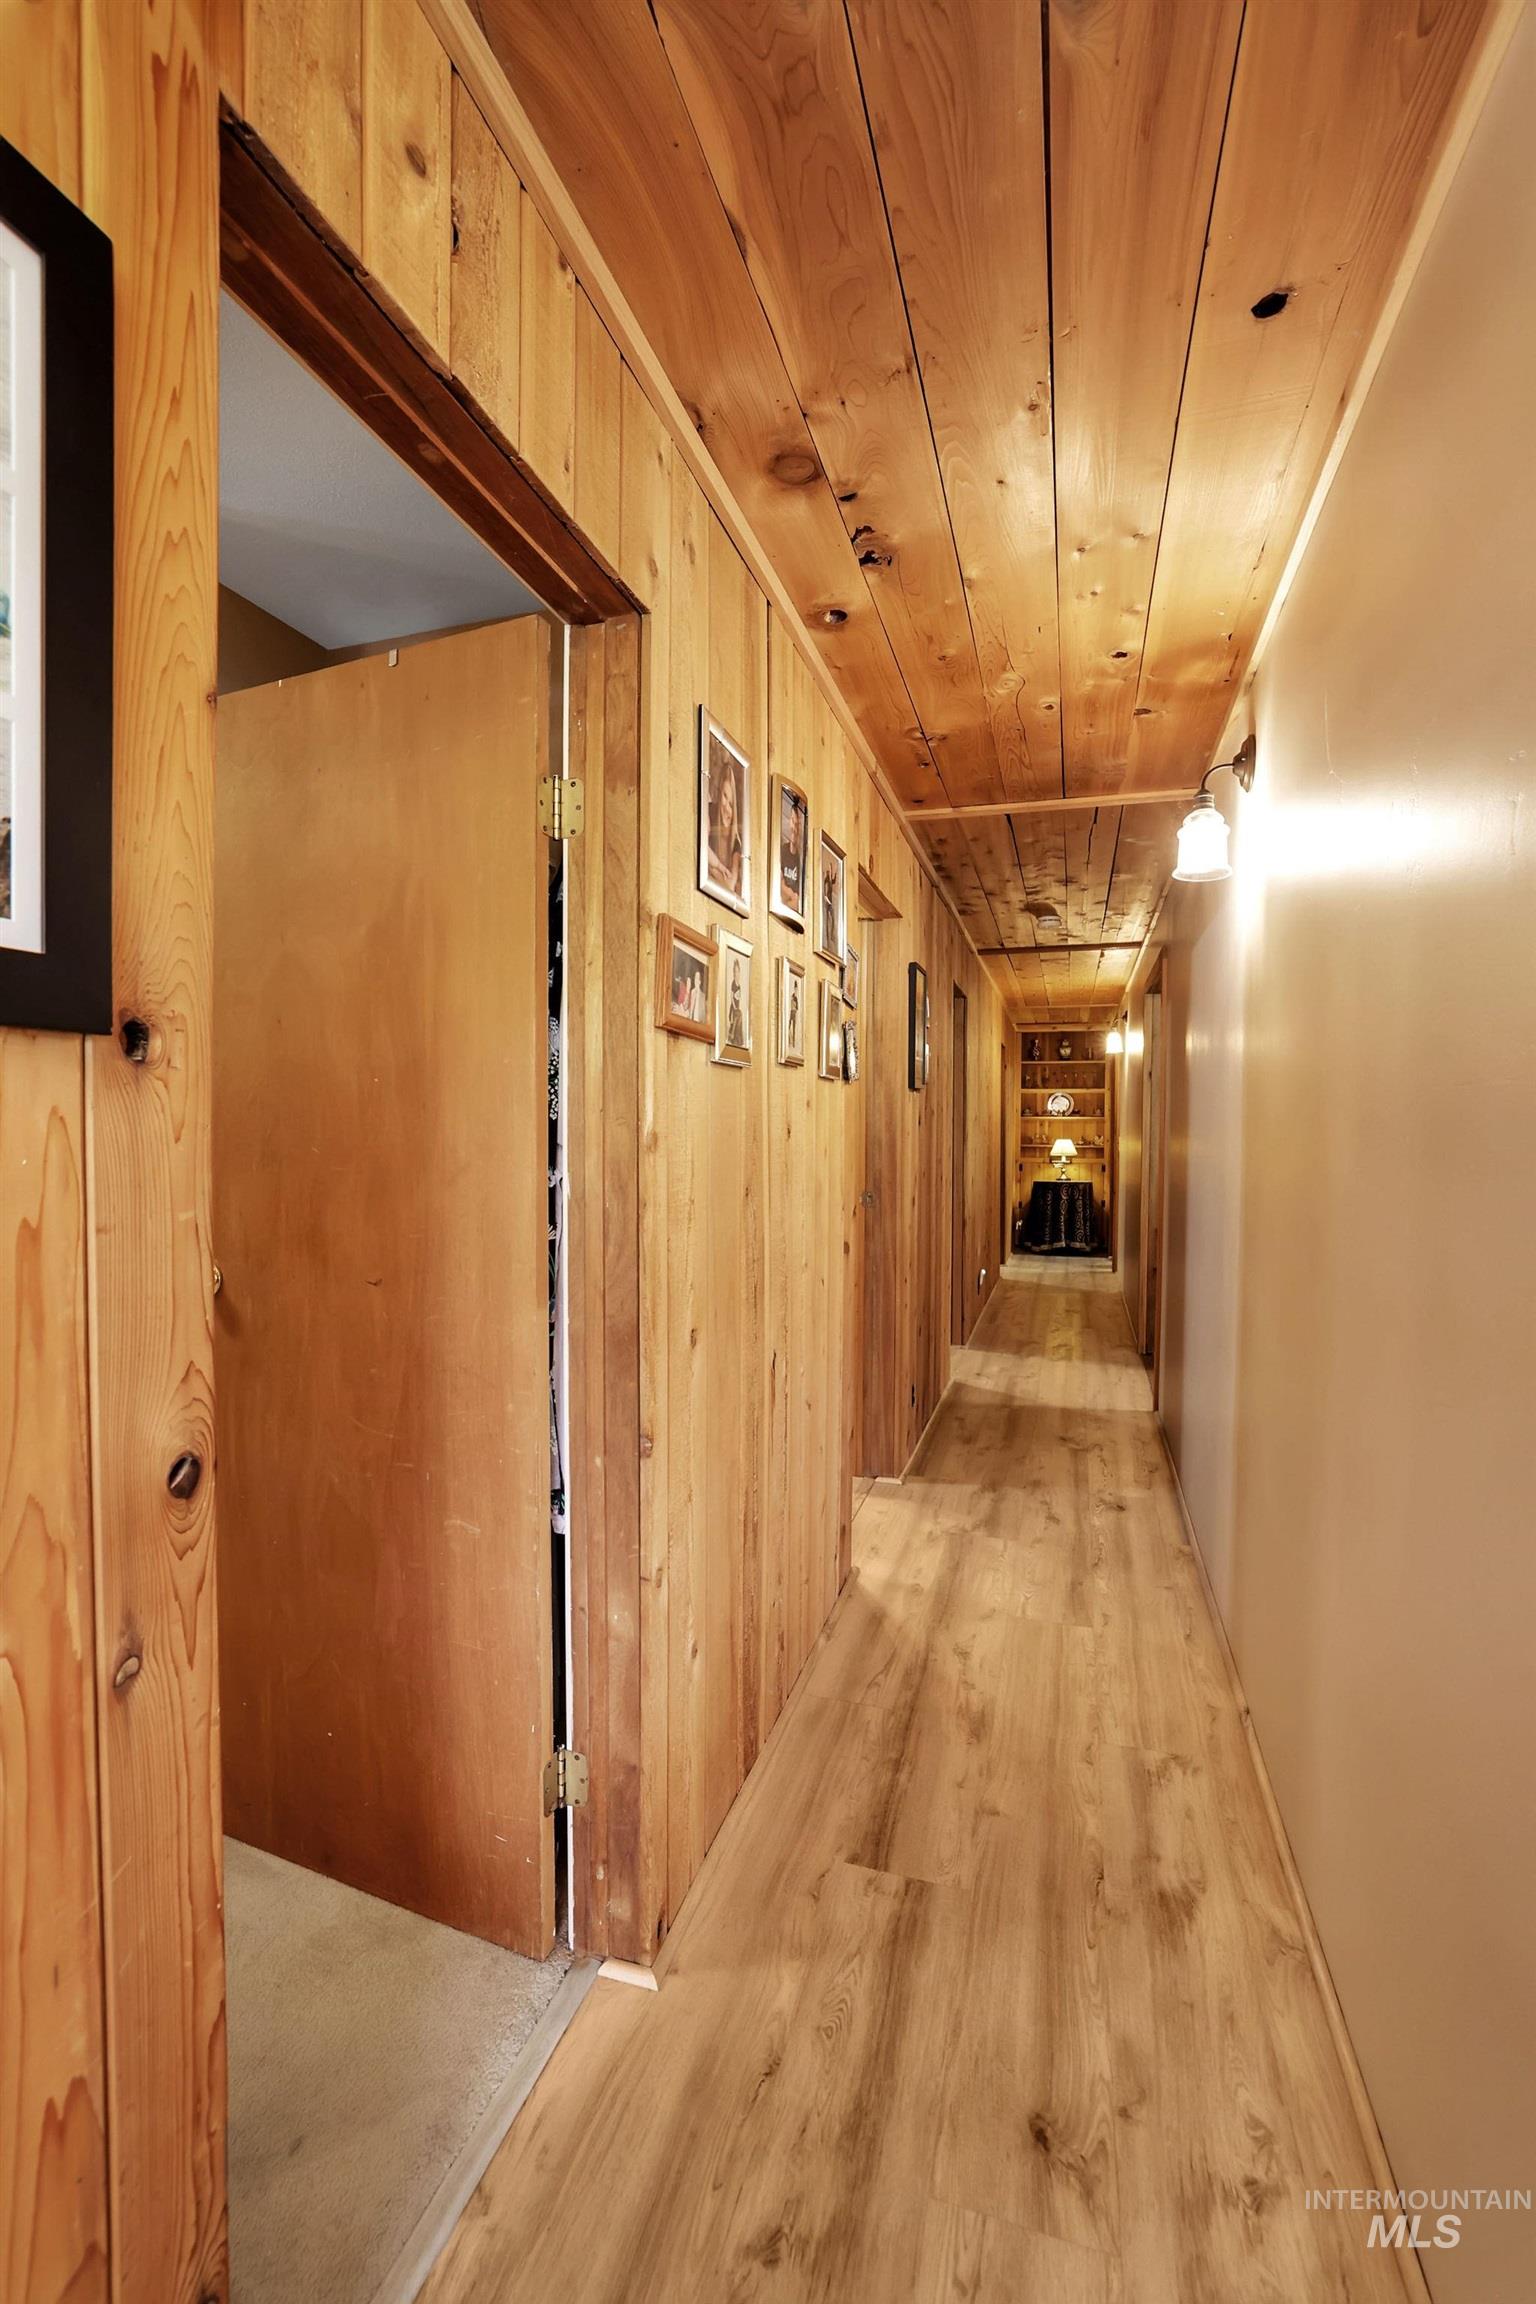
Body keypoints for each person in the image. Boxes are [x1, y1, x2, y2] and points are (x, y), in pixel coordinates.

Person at [707, 747, 744, 898]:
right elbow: (698, 849)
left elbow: (729, 886)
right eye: (724, 796)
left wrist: (709, 867)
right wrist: (719, 868)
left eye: (731, 803)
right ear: (718, 793)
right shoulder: (709, 811)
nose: (726, 807)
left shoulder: (736, 842)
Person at [780, 791, 805, 910]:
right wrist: (793, 895)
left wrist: (792, 897)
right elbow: (779, 886)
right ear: (790, 821)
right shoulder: (781, 852)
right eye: (793, 821)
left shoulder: (801, 861)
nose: (794, 827)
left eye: (797, 824)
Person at [727, 958, 746, 1048]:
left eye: (737, 971)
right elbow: (731, 997)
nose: (736, 974)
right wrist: (734, 1008)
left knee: (740, 1018)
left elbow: (739, 997)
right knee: (737, 1017)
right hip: (733, 1007)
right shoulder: (733, 984)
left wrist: (738, 1007)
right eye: (735, 971)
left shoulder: (739, 985)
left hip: (737, 1007)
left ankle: (738, 1039)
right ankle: (733, 1037)